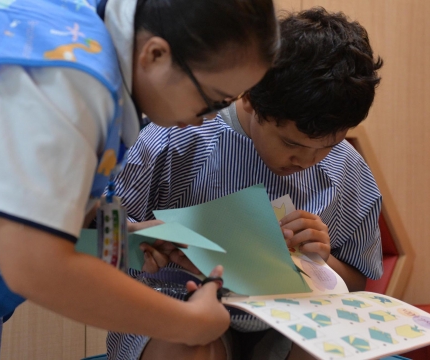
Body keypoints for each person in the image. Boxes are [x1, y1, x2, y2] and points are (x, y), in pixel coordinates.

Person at [0, 0, 279, 358]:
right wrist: (189, 323)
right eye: (213, 100)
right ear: (155, 54)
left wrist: (127, 238)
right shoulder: (72, 78)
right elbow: (36, 267)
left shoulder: (88, 29)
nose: (208, 118)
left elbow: (41, 205)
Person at [108, 7, 384, 360]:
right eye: (292, 144)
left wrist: (319, 261)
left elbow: (356, 283)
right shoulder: (175, 135)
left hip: (290, 316)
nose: (307, 161)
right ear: (250, 96)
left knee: (329, 349)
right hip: (174, 300)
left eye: (327, 147)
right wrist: (151, 242)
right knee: (189, 350)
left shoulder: (348, 168)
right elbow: (98, 240)